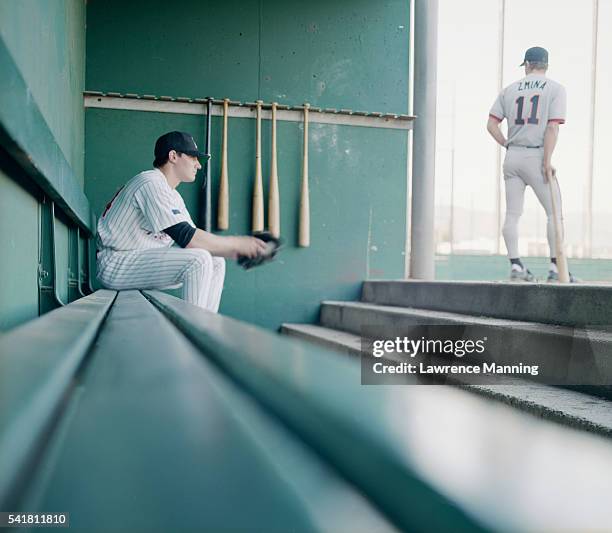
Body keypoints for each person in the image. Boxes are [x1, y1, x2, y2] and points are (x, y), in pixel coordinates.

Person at [96, 131, 267, 311]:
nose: (198, 165)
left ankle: (206, 326)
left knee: (215, 260)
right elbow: (188, 238)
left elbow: (196, 243)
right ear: (173, 156)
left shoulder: (173, 195)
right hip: (116, 262)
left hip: (136, 261)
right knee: (199, 260)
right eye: (193, 157)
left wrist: (238, 252)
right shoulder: (150, 181)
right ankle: (194, 328)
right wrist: (237, 244)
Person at [487, 46, 575, 282]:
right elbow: (553, 127)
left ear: (526, 65)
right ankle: (556, 268)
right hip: (536, 155)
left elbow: (491, 124)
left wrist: (506, 143)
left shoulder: (509, 90)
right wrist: (547, 161)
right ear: (546, 65)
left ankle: (516, 265)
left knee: (513, 213)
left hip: (513, 155)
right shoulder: (555, 88)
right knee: (554, 214)